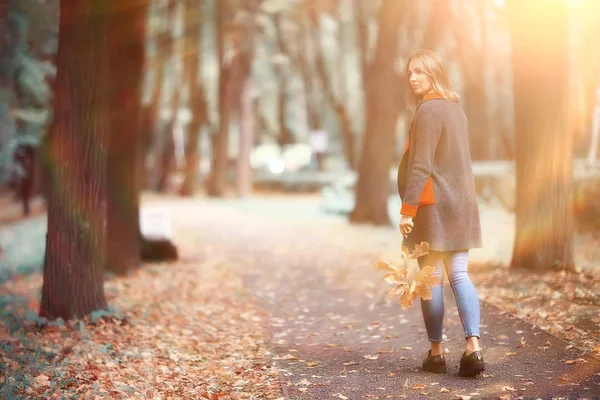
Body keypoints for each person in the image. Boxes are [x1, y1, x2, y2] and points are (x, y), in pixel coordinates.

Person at [397, 49, 484, 377]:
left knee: (431, 280)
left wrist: (408, 210)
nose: (413, 77)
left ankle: (436, 353)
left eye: (420, 71)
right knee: (459, 274)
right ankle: (473, 347)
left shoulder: (429, 111)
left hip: (434, 207)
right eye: (410, 73)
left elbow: (422, 165)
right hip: (461, 205)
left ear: (434, 72)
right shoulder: (454, 109)